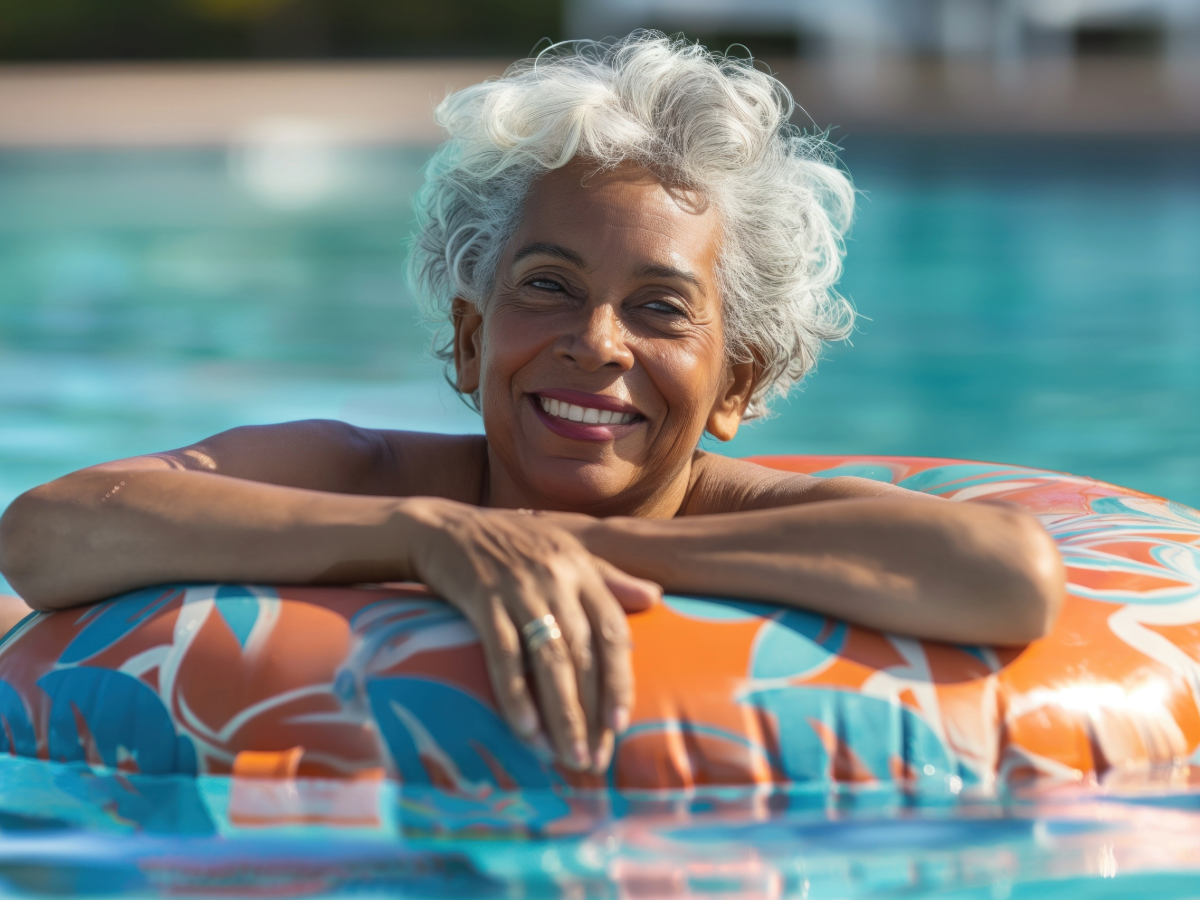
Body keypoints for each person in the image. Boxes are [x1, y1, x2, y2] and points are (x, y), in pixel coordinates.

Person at [0, 34, 1063, 776]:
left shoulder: (755, 517)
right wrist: (430, 539)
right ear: (472, 340)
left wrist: (571, 547)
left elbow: (1007, 575)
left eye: (660, 308)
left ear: (736, 383)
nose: (596, 343)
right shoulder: (372, 475)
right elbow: (48, 536)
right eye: (547, 286)